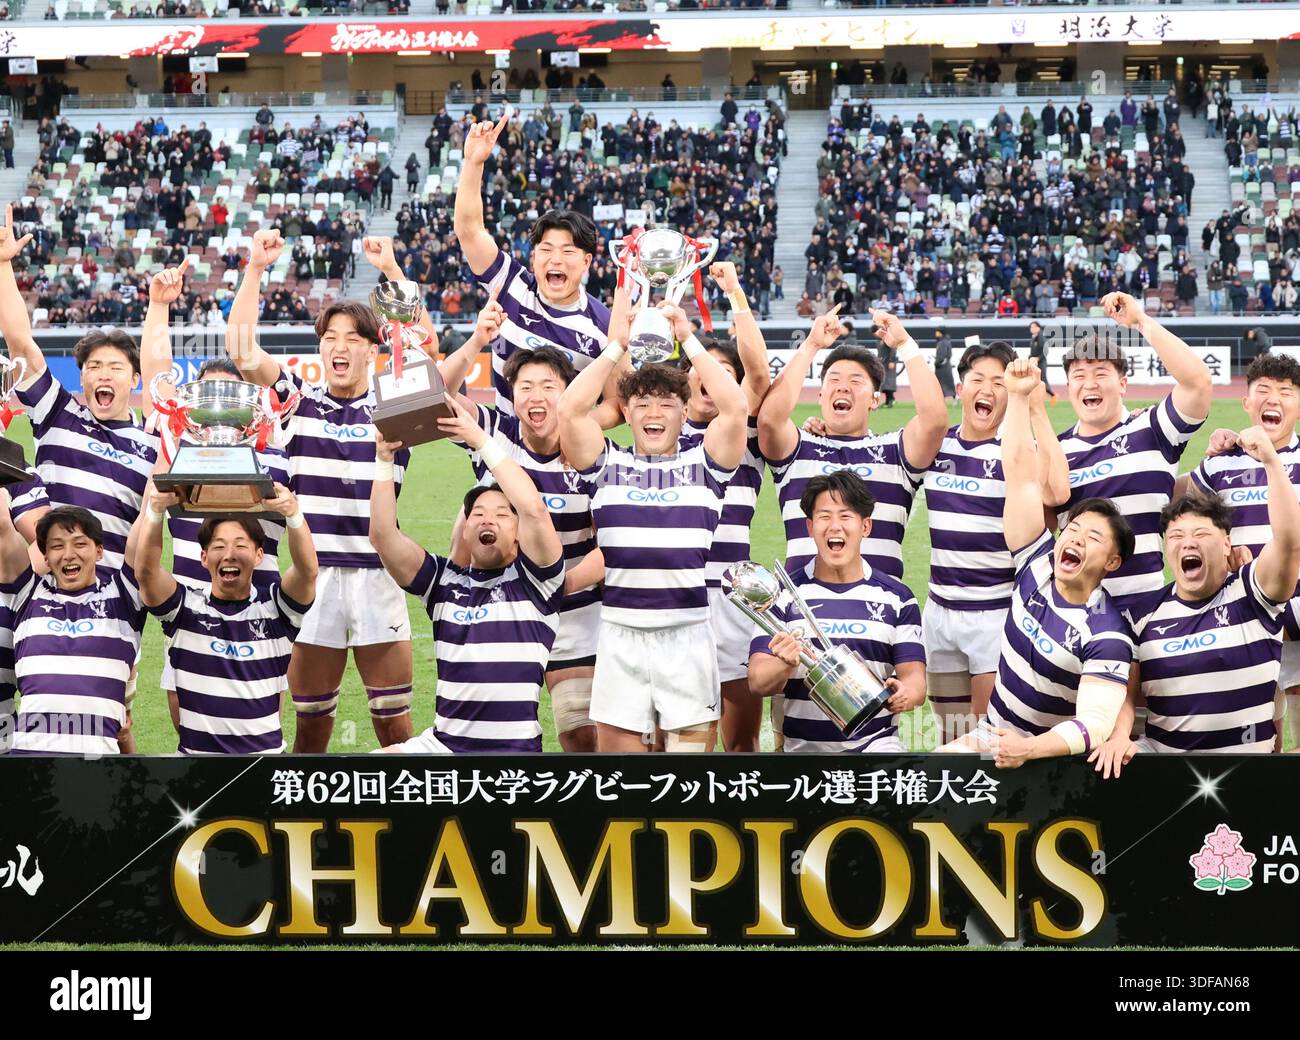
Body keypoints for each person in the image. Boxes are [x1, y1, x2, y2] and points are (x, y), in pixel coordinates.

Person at [224, 231, 417, 752]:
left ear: (374, 350)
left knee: (393, 724)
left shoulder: (395, 404)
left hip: (380, 577)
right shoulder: (298, 402)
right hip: (313, 578)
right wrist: (256, 268)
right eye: (330, 337)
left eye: (354, 337)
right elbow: (242, 351)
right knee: (311, 726)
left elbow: (422, 345)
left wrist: (394, 270)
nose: (339, 346)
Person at [0, 203, 160, 754]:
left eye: (114, 367)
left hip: (114, 596)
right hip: (41, 578)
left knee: (112, 707)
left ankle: (129, 812)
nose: (101, 374)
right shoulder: (59, 412)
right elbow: (21, 344)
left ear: (134, 380)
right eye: (93, 367)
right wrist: (2, 266)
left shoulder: (150, 446)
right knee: (37, 690)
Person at [558, 296, 748, 753]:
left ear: (685, 414)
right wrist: (615, 347)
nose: (654, 413)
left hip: (687, 632)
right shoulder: (606, 464)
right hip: (621, 632)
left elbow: (736, 408)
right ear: (626, 413)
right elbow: (569, 411)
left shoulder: (707, 465)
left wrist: (687, 338)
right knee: (621, 778)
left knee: (688, 782)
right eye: (642, 403)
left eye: (666, 403)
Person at [946, 358, 1136, 768]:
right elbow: (1019, 475)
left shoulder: (1107, 631)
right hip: (992, 740)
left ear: (1112, 562)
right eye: (1074, 529)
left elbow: (1095, 724)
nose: (1075, 538)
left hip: (1054, 765)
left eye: (1094, 538)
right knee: (918, 779)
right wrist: (1016, 396)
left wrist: (1028, 749)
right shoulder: (1036, 565)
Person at [370, 399, 564, 754]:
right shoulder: (443, 581)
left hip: (514, 754)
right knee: (361, 777)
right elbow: (383, 536)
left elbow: (534, 509)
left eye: (502, 514)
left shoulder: (538, 583)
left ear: (520, 532)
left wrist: (482, 441)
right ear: (464, 528)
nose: (487, 519)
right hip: (443, 747)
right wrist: (384, 461)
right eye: (477, 513)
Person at [923, 339, 1069, 743]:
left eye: (999, 383)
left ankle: (994, 807)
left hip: (994, 614)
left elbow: (1057, 493)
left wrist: (1035, 405)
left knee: (989, 738)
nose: (987, 389)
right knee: (950, 734)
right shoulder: (938, 443)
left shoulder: (1015, 450)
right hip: (939, 611)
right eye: (977, 379)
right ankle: (953, 803)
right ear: (961, 389)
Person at [1102, 471, 1300, 763]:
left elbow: (1289, 543)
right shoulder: (1142, 614)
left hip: (1250, 775)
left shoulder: (1252, 594)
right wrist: (1120, 735)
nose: (1188, 543)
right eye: (1176, 536)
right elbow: (1125, 693)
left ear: (1226, 544)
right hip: (1169, 774)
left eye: (1201, 534)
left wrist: (1271, 461)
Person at [757, 308, 947, 579]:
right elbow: (769, 420)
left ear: (875, 400)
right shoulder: (798, 449)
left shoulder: (895, 452)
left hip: (879, 611)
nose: (843, 387)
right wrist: (810, 345)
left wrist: (905, 344)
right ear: (820, 395)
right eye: (834, 380)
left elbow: (935, 420)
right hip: (804, 609)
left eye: (856, 381)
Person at [748, 471, 927, 752]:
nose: (835, 527)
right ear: (809, 526)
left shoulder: (897, 597)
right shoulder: (780, 594)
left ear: (865, 526)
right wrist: (785, 661)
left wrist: (908, 693)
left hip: (876, 748)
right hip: (803, 753)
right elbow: (757, 682)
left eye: (845, 516)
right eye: (824, 517)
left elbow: (915, 677)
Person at [136, 480, 317, 755]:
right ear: (204, 557)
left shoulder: (277, 611)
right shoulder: (184, 610)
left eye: (240, 545)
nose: (229, 555)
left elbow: (307, 572)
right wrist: (155, 512)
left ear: (259, 555)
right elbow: (146, 573)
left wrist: (293, 514)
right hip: (197, 771)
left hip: (261, 769)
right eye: (219, 547)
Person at [1057, 292, 1212, 608]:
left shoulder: (1153, 429)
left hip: (1145, 610)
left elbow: (1197, 383)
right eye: (1079, 376)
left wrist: (1140, 321)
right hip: (1075, 613)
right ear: (1068, 387)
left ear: (1123, 384)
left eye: (1101, 374)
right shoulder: (1055, 451)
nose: (1090, 384)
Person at [454, 110, 611, 415]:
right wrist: (473, 164)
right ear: (533, 256)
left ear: (586, 261)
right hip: (499, 448)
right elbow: (469, 230)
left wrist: (568, 423)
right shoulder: (511, 283)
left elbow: (617, 404)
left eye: (568, 251)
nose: (556, 259)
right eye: (546, 249)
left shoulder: (602, 324)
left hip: (563, 458)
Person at [676, 262, 771, 752]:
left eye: (723, 375)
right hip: (674, 596)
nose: (710, 381)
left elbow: (758, 371)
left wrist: (734, 292)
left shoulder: (744, 433)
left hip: (736, 597)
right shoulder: (660, 429)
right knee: (682, 742)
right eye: (700, 371)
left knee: (741, 743)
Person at [1185, 353, 1300, 751]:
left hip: (1298, 617)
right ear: (1246, 403)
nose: (1275, 399)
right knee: (1262, 739)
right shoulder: (1221, 466)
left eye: (1286, 392)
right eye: (1264, 391)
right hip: (1244, 618)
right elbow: (1189, 520)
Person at [0, 505, 147, 756]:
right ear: (45, 557)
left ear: (99, 551)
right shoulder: (27, 595)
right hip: (29, 766)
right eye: (57, 546)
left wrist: (155, 506)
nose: (68, 554)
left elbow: (145, 528)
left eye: (80, 544)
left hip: (98, 768)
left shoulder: (123, 599)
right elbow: (3, 528)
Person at [1027, 319, 1056, 402]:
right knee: (1034, 380)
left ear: (1038, 328)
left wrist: (1038, 358)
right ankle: (1036, 398)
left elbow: (1045, 351)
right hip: (1034, 363)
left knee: (1043, 380)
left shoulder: (1041, 337)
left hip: (1041, 363)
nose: (1031, 328)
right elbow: (1033, 352)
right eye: (1031, 327)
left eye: (1033, 327)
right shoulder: (1033, 338)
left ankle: (1053, 395)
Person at [933, 323, 955, 400]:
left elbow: (941, 355)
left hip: (942, 368)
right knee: (948, 383)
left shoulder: (942, 343)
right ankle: (954, 397)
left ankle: (940, 398)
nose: (935, 333)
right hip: (946, 366)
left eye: (937, 331)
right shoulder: (946, 341)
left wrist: (937, 362)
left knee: (941, 384)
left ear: (940, 333)